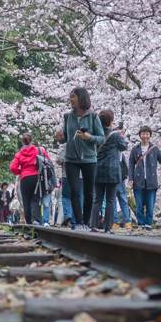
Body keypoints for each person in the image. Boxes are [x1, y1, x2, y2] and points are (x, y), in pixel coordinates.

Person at [54, 87, 104, 229]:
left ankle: (87, 222)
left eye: (73, 97)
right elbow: (65, 138)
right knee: (74, 191)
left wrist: (89, 137)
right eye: (70, 97)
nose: (71, 99)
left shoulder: (93, 117)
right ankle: (79, 222)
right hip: (71, 159)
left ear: (81, 98)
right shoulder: (67, 116)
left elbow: (101, 139)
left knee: (88, 192)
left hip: (89, 159)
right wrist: (60, 138)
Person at [127, 126, 161, 230]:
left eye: (147, 134)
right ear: (139, 135)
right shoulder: (135, 149)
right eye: (143, 133)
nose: (145, 136)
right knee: (139, 205)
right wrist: (130, 178)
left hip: (151, 181)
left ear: (150, 135)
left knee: (150, 205)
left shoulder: (154, 149)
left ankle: (148, 224)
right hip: (138, 181)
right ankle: (141, 224)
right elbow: (130, 164)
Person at [91, 110, 130, 233]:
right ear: (111, 122)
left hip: (97, 170)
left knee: (97, 199)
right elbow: (124, 146)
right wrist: (122, 135)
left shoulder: (95, 134)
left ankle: (93, 225)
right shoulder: (115, 135)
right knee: (110, 199)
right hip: (112, 171)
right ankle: (108, 228)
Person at [9, 133, 53, 225]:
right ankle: (36, 220)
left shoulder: (19, 153)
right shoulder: (38, 150)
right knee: (35, 199)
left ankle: (28, 222)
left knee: (26, 200)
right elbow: (48, 161)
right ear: (31, 140)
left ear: (22, 141)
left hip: (25, 178)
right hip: (37, 177)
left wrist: (20, 171)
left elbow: (13, 167)